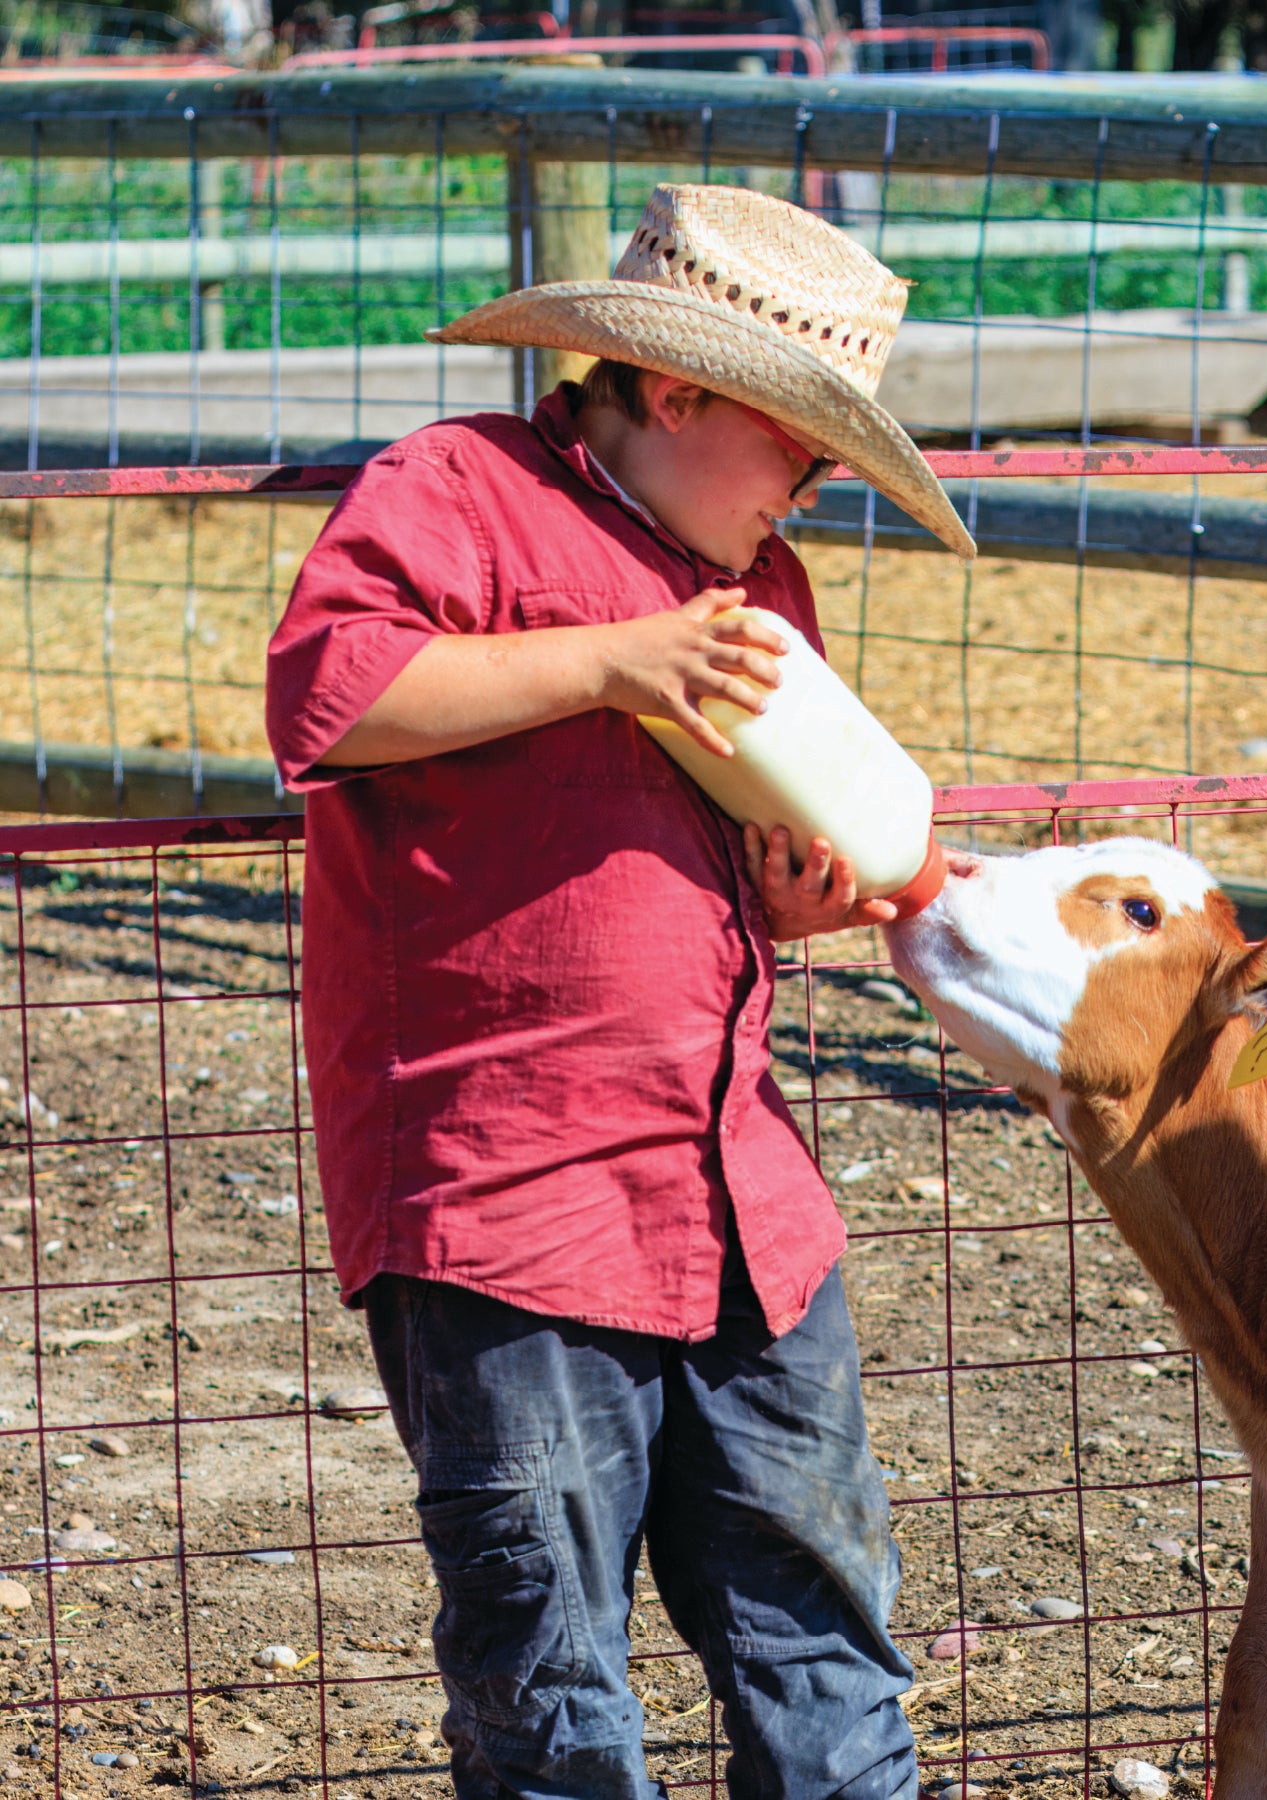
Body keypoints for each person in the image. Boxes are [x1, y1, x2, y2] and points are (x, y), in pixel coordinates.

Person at [265, 182, 974, 1800]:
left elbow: (738, 850)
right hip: (510, 1192)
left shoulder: (764, 592)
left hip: (741, 1193)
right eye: (803, 442)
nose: (816, 482)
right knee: (551, 1676)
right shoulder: (456, 489)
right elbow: (327, 688)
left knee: (821, 1631)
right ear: (675, 392)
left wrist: (789, 901)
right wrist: (608, 658)